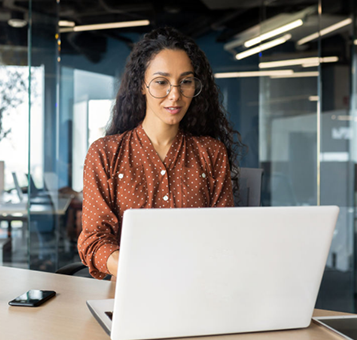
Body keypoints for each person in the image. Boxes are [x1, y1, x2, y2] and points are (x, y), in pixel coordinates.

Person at [77, 27, 242, 279]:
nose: (175, 95)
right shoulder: (105, 153)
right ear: (141, 85)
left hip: (198, 289)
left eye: (185, 82)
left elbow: (224, 236)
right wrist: (141, 271)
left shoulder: (212, 153)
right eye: (161, 82)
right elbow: (94, 240)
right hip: (130, 292)